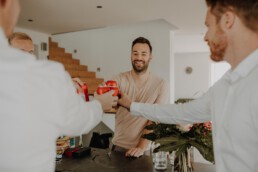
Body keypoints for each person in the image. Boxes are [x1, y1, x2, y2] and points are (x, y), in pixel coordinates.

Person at [118, 0, 258, 171]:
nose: (205, 36)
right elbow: (181, 113)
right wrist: (131, 105)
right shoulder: (225, 84)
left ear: (228, 20)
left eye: (208, 26)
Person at [0, 0, 118, 172]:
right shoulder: (48, 76)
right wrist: (100, 104)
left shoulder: (43, 80)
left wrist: (64, 87)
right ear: (5, 2)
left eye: (31, 53)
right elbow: (77, 121)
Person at [110, 37, 169, 157]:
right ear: (131, 56)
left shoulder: (161, 84)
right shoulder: (119, 79)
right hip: (118, 147)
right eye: (135, 53)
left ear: (150, 57)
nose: (139, 57)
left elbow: (154, 120)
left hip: (144, 150)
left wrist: (140, 147)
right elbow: (107, 104)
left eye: (143, 54)